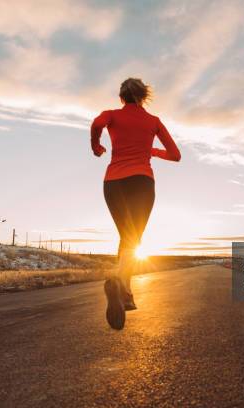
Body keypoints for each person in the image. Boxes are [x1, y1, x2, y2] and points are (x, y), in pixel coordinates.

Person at [90, 78, 181, 330]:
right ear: (144, 97)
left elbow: (97, 124)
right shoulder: (153, 122)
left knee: (127, 236)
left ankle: (126, 293)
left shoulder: (111, 115)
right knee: (133, 238)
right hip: (142, 181)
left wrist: (96, 145)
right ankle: (121, 283)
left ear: (121, 97)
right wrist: (152, 151)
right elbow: (175, 155)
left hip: (113, 182)